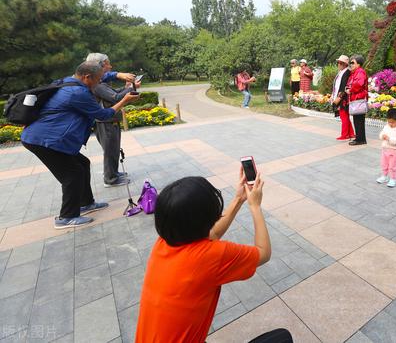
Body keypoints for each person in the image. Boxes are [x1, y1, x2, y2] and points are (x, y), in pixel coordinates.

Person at [136, 171, 284, 342]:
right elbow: (264, 252)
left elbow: (211, 234)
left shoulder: (165, 242)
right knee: (281, 338)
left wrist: (239, 199)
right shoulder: (212, 256)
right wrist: (255, 206)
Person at [21, 62, 139, 229]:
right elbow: (103, 114)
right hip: (44, 141)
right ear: (87, 77)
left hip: (44, 137)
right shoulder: (77, 93)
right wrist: (125, 101)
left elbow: (100, 75)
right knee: (72, 175)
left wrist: (118, 74)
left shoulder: (69, 81)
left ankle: (86, 203)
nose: (99, 83)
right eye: (98, 80)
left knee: (83, 164)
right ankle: (66, 217)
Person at [86, 53, 139, 187]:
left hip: (109, 121)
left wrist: (129, 87)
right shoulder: (97, 85)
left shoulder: (100, 82)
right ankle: (110, 179)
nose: (110, 66)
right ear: (100, 67)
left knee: (114, 150)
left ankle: (113, 173)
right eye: (108, 64)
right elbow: (115, 98)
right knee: (110, 151)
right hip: (105, 123)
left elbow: (113, 93)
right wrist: (129, 90)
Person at [377, 108, 396, 188]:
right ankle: (384, 176)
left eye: (393, 122)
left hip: (393, 151)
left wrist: (389, 139)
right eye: (389, 122)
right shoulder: (386, 126)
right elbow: (382, 133)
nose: (390, 124)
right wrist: (382, 136)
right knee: (384, 164)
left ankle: (393, 178)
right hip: (385, 149)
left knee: (392, 166)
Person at [346, 54, 368, 146]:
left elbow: (358, 84)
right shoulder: (355, 72)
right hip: (356, 99)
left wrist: (350, 90)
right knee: (357, 119)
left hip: (358, 99)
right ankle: (359, 138)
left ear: (358, 64)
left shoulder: (360, 72)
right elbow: (351, 83)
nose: (351, 65)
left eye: (353, 63)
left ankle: (360, 139)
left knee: (359, 120)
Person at [331, 55, 354, 140]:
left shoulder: (346, 72)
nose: (338, 64)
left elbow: (344, 86)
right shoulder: (342, 72)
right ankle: (351, 133)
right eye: (338, 62)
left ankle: (345, 134)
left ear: (345, 64)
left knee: (343, 116)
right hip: (340, 96)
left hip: (343, 98)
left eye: (340, 63)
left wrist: (338, 98)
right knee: (345, 116)